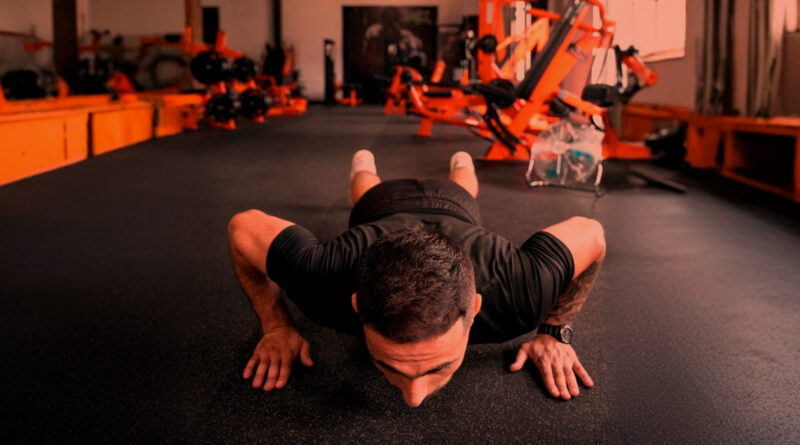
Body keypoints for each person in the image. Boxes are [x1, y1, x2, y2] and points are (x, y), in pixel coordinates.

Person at [227, 150, 605, 408]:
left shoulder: (519, 291)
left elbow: (593, 235)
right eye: (390, 367)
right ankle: (363, 162)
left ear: (474, 307)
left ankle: (461, 160)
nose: (414, 398)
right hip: (381, 207)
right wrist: (275, 326)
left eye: (438, 368)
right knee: (365, 191)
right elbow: (241, 227)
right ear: (356, 303)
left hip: (456, 208)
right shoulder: (321, 278)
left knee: (464, 187)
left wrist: (554, 331)